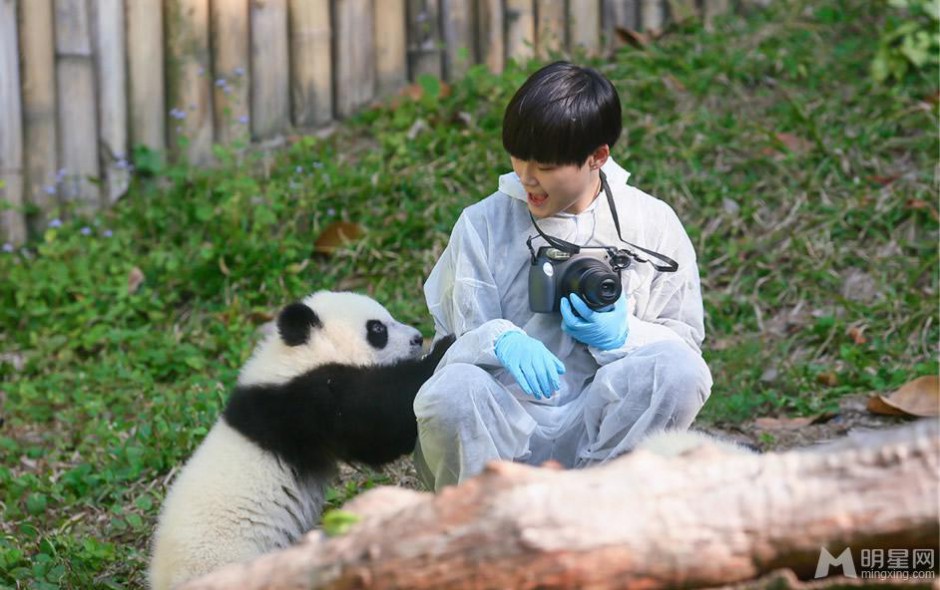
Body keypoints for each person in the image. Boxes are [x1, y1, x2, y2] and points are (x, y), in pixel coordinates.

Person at [413, 61, 712, 491]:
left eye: (547, 166)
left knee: (679, 370)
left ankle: (604, 510)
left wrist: (623, 335)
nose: (527, 177)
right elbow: (453, 344)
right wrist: (500, 340)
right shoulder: (485, 223)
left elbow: (684, 344)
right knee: (454, 390)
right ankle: (484, 523)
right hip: (502, 428)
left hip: (604, 426)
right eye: (519, 158)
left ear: (598, 157)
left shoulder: (650, 223)